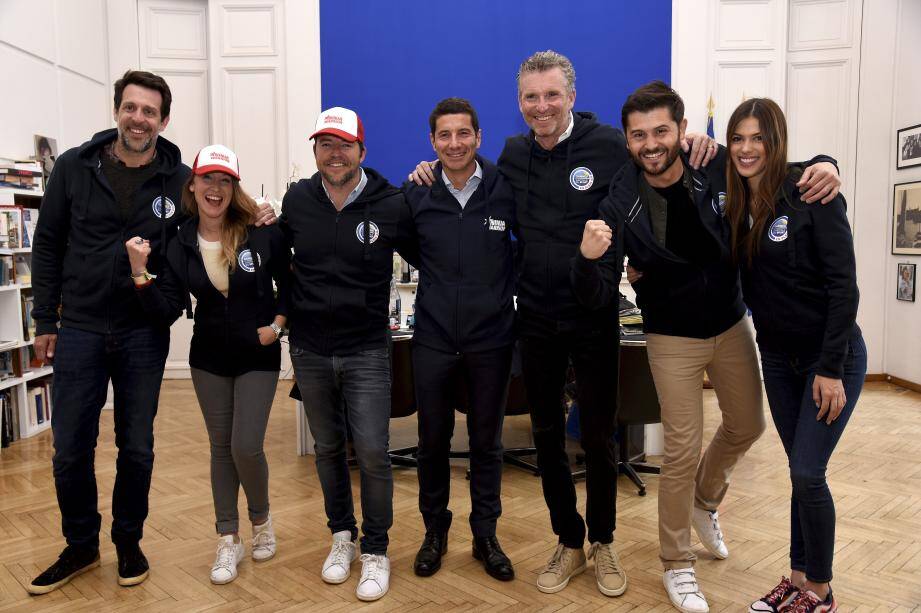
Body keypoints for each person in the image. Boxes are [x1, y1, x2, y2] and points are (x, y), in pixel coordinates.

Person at [409, 50, 717, 598]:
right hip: (535, 319)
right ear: (520, 103)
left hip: (594, 316)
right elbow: (468, 185)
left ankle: (603, 540)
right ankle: (568, 539)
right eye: (531, 97)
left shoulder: (607, 147)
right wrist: (429, 170)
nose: (542, 106)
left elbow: (658, 163)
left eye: (552, 95)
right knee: (546, 436)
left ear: (572, 97)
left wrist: (700, 146)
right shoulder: (511, 153)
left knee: (598, 437)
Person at [572, 80, 842, 613]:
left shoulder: (714, 161)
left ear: (680, 130)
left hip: (731, 323)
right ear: (627, 141)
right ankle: (676, 563)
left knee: (749, 424)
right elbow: (598, 290)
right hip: (671, 335)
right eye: (638, 135)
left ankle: (704, 500)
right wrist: (586, 259)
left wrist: (827, 162)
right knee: (680, 449)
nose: (651, 143)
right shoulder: (619, 199)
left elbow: (774, 164)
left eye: (661, 131)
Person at [27, 69, 275, 596]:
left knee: (136, 445)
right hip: (82, 328)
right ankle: (79, 544)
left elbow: (220, 213)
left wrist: (262, 216)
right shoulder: (73, 167)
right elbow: (47, 245)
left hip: (143, 331)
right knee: (70, 446)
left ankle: (128, 541)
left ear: (164, 120)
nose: (139, 119)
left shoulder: (178, 177)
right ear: (117, 110)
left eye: (150, 111)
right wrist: (44, 318)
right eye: (131, 108)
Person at [723, 98, 865, 613]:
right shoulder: (737, 202)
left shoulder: (810, 191)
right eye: (738, 138)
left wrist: (830, 368)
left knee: (808, 472)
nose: (745, 148)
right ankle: (798, 575)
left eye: (757, 137)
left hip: (832, 357)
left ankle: (821, 592)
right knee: (797, 471)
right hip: (779, 361)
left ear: (775, 140)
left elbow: (844, 287)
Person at [129, 144, 290, 585]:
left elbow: (292, 285)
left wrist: (276, 327)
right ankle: (228, 538)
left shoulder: (259, 230)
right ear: (193, 184)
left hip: (258, 354)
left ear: (234, 187)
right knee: (220, 448)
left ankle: (261, 522)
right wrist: (140, 273)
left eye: (224, 180)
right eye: (207, 179)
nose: (214, 189)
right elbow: (164, 309)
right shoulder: (179, 239)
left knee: (245, 445)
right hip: (208, 358)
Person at [280, 107, 416, 602]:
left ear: (362, 150)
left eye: (344, 145)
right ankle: (343, 537)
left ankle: (376, 550)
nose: (335, 154)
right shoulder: (298, 200)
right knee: (328, 448)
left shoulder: (391, 203)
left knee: (375, 453)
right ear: (314, 150)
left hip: (365, 350)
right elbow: (273, 260)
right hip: (311, 349)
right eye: (325, 144)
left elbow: (432, 254)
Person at [402, 98, 517, 582]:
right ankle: (434, 530)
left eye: (463, 134)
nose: (454, 143)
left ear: (478, 136)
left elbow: (524, 252)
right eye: (444, 136)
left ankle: (485, 533)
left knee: (487, 443)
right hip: (432, 338)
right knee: (432, 441)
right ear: (432, 142)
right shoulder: (416, 194)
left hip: (490, 340)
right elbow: (409, 248)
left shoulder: (503, 189)